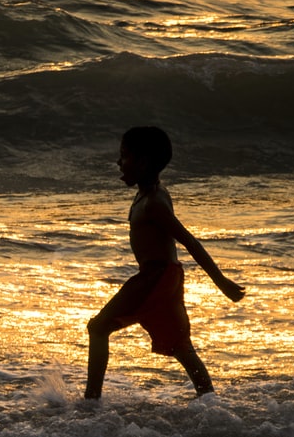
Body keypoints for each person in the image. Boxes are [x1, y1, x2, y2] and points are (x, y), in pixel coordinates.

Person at [84, 126, 245, 400]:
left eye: (124, 156)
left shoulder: (154, 203)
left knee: (98, 328)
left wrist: (221, 283)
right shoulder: (150, 195)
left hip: (155, 278)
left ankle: (91, 400)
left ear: (143, 162)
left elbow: (190, 241)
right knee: (181, 346)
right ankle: (210, 401)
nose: (118, 162)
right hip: (167, 277)